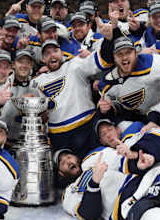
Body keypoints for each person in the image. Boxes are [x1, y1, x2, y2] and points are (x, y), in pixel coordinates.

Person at [29, 27, 113, 156]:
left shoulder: (75, 65)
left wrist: (109, 39)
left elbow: (101, 60)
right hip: (60, 136)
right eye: (47, 53)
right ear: (43, 60)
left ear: (62, 53)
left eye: (55, 51)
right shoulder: (36, 82)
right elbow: (40, 114)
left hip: (88, 127)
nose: (52, 55)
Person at [98, 36, 160, 123]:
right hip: (138, 120)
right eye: (119, 54)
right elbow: (116, 109)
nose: (124, 57)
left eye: (128, 52)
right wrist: (106, 109)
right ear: (114, 58)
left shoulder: (153, 63)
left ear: (136, 54)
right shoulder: (106, 83)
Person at [0, 49, 36, 143]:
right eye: (20, 62)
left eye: (27, 63)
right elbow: (3, 116)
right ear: (13, 65)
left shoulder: (36, 84)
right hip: (4, 138)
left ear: (31, 66)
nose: (24, 66)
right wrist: (19, 102)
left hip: (27, 140)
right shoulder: (4, 83)